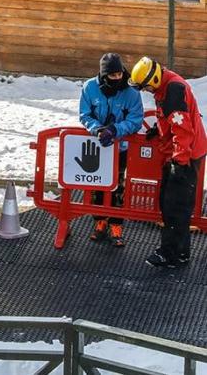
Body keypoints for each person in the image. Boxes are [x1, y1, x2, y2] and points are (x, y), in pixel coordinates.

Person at [129, 57, 207, 267]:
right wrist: (161, 130)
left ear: (152, 79)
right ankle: (179, 252)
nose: (145, 90)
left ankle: (171, 254)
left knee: (174, 207)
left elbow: (183, 129)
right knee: (171, 204)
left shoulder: (172, 90)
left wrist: (179, 162)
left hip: (185, 156)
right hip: (183, 153)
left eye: (145, 86)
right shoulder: (166, 85)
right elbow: (173, 119)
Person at [79, 53, 144, 246]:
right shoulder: (89, 88)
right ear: (103, 75)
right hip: (98, 147)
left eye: (119, 74)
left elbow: (136, 119)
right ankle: (100, 221)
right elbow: (84, 114)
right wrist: (97, 129)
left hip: (121, 148)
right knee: (98, 185)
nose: (117, 79)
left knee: (118, 186)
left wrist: (116, 130)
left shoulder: (131, 92)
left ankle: (117, 225)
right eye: (112, 76)